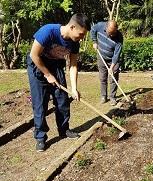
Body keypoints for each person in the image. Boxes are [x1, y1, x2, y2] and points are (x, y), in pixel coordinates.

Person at [27, 13, 90, 152]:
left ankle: (64, 129)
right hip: (38, 67)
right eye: (81, 34)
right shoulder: (48, 31)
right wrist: (47, 75)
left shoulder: (74, 43)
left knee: (62, 101)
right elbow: (34, 55)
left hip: (56, 67)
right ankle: (40, 138)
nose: (82, 37)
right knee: (40, 104)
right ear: (72, 27)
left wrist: (74, 88)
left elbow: (73, 65)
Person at [90, 20, 123, 106]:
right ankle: (103, 96)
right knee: (102, 78)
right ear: (106, 28)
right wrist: (94, 41)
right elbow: (93, 30)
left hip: (113, 60)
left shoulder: (119, 37)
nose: (112, 35)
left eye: (113, 33)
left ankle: (112, 97)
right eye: (110, 33)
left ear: (116, 29)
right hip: (101, 57)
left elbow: (117, 54)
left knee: (113, 78)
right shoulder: (100, 25)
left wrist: (111, 67)